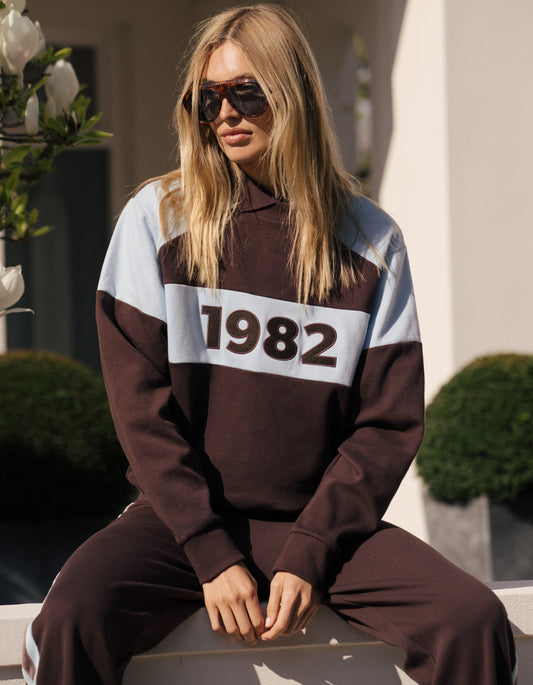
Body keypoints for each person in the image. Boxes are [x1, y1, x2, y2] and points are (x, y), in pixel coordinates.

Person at [22, 5, 516, 684]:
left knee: (472, 620)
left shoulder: (371, 241)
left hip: (321, 526)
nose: (225, 113)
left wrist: (312, 548)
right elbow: (141, 410)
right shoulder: (155, 221)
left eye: (246, 92)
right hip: (175, 525)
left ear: (294, 95)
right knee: (70, 618)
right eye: (208, 98)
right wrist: (209, 550)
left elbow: (386, 423)